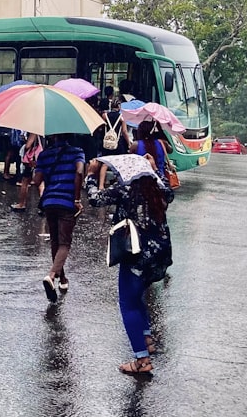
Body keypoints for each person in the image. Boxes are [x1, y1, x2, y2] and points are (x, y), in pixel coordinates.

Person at [85, 168, 174, 375]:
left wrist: (91, 176)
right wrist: (158, 173)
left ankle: (142, 360)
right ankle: (147, 338)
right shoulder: (158, 190)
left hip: (136, 253)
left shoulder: (125, 190)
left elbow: (95, 199)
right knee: (138, 297)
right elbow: (170, 191)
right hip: (159, 253)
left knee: (128, 305)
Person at [30, 134, 85, 301]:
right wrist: (76, 199)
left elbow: (36, 180)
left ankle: (62, 279)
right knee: (65, 243)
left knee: (55, 241)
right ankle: (52, 275)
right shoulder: (77, 152)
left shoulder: (44, 155)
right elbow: (80, 171)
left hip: (49, 202)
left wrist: (36, 167)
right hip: (66, 202)